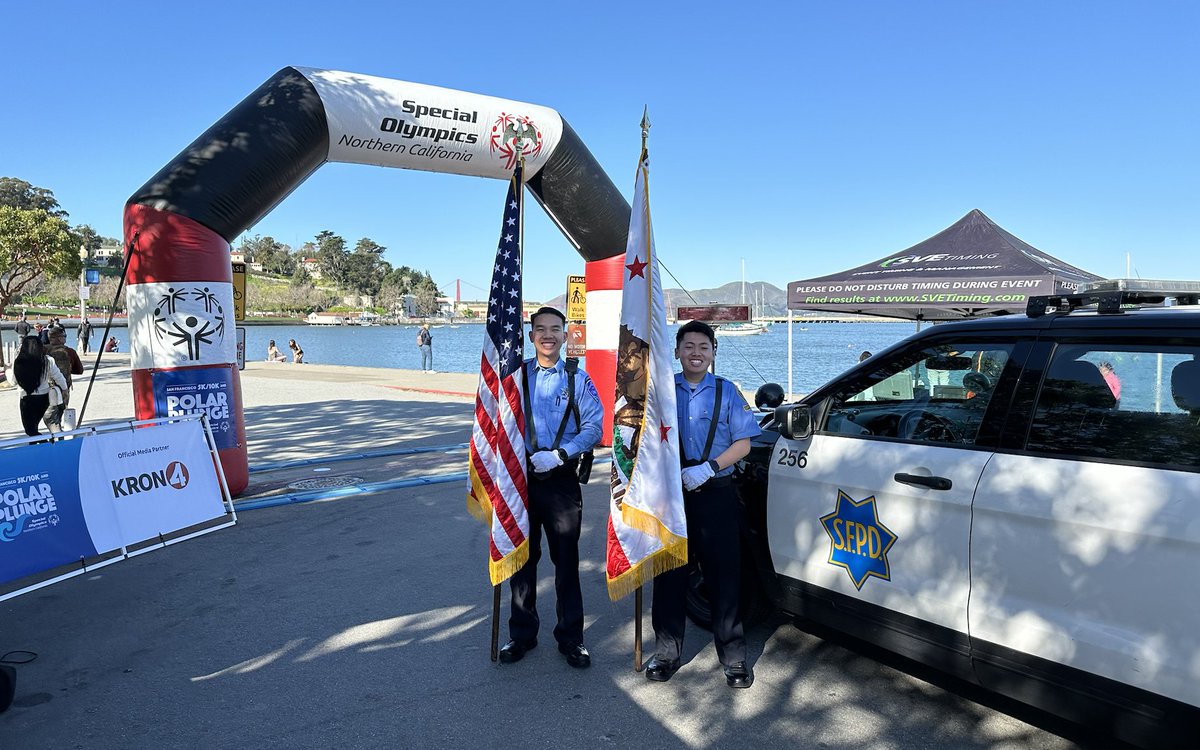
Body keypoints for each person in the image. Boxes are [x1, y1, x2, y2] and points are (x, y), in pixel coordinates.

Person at [645, 320, 762, 689]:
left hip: (716, 494)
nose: (696, 353)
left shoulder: (728, 392)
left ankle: (733, 657)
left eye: (704, 347)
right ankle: (666, 652)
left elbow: (744, 443)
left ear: (713, 352)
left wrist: (710, 468)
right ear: (677, 351)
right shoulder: (662, 391)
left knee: (724, 576)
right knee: (669, 576)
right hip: (672, 495)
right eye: (689, 346)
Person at [499, 307, 603, 670]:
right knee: (521, 561)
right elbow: (497, 420)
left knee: (566, 562)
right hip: (521, 478)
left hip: (559, 479)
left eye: (555, 329)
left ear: (564, 335)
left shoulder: (578, 379)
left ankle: (571, 639)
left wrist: (561, 454)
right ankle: (521, 635)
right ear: (530, 336)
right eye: (540, 329)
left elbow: (594, 427)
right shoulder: (515, 377)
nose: (548, 335)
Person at [6, 336, 68, 437]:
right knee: (43, 426)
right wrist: (65, 389)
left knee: (30, 430)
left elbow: (13, 381)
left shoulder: (18, 362)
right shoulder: (47, 360)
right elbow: (58, 377)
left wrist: (8, 371)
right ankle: (49, 444)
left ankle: (42, 444)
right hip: (44, 398)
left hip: (26, 398)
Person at [44, 327, 84, 430]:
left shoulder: (43, 350)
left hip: (45, 388)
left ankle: (54, 433)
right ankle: (59, 434)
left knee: (49, 415)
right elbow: (79, 370)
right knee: (60, 413)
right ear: (59, 338)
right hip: (63, 389)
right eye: (64, 336)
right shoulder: (70, 352)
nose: (65, 338)